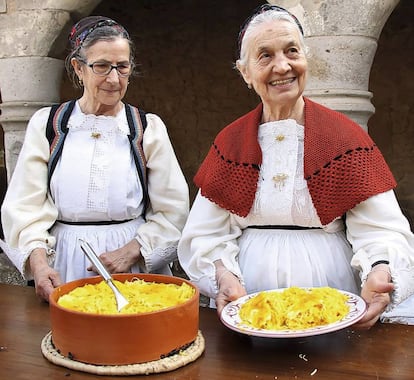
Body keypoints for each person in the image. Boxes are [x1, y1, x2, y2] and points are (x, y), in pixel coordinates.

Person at [178, 4, 414, 329]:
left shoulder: (344, 138)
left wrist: (380, 269)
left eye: (292, 51)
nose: (282, 66)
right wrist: (221, 274)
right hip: (247, 298)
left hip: (330, 294)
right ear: (245, 72)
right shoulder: (230, 142)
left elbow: (382, 229)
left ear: (306, 59)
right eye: (265, 55)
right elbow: (205, 234)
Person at [0, 16, 189, 302]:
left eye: (122, 67)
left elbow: (172, 210)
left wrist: (131, 252)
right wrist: (39, 263)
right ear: (78, 68)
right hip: (64, 264)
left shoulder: (145, 128)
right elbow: (24, 206)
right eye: (101, 66)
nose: (114, 79)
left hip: (132, 265)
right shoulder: (49, 125)